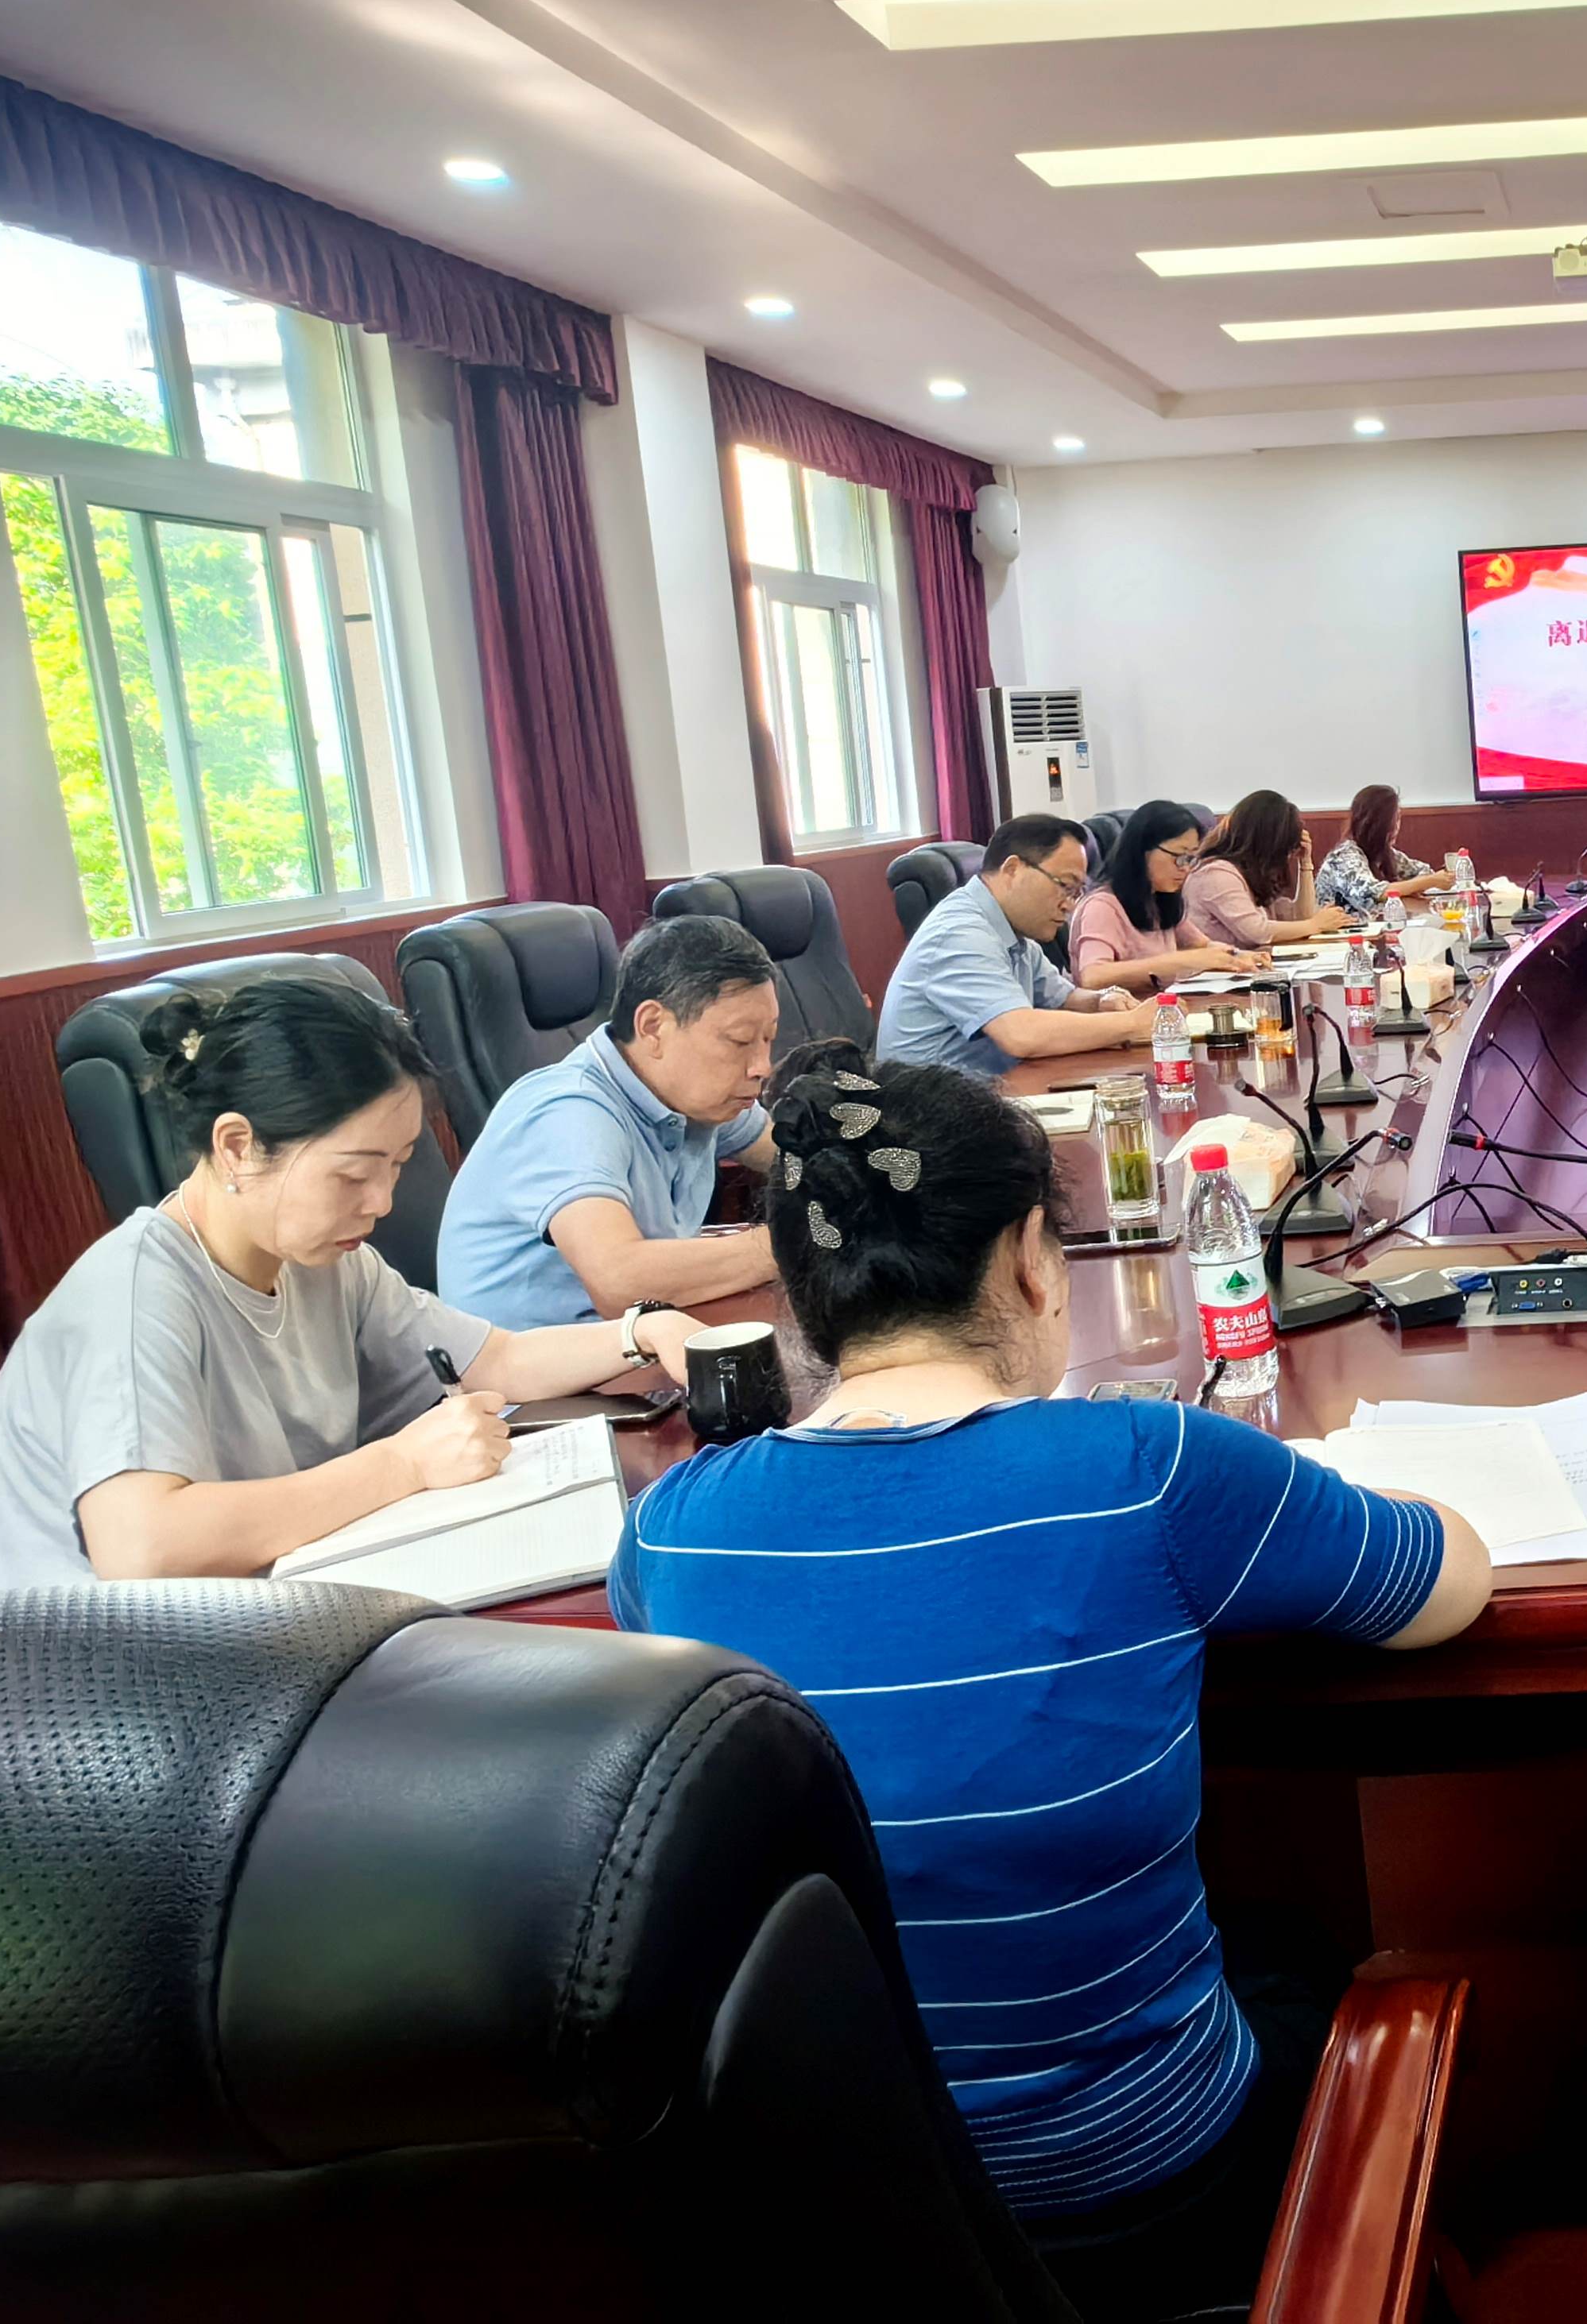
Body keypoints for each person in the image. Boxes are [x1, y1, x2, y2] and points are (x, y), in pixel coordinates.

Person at [614, 1046, 1491, 2320]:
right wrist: (1350, 1496)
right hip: (1139, 2183)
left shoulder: (673, 1528)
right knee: (1307, 1964)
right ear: (1033, 1258)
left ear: (800, 1298)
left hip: (853, 2216)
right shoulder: (1146, 1465)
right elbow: (1447, 1585)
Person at [0, 978, 706, 1583]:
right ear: (237, 1146)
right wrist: (404, 1465)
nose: (382, 1202)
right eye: (353, 1174)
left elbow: (497, 1358)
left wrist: (645, 1331)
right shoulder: (134, 1294)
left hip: (269, 1606)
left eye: (396, 1166)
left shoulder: (323, 1262)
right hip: (99, 1678)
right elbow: (142, 1548)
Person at [436, 915, 784, 1329]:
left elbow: (790, 1152)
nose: (762, 1066)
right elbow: (621, 1283)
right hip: (537, 1364)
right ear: (653, 1027)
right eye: (740, 1041)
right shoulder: (569, 1114)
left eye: (768, 1038)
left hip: (636, 1343)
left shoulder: (696, 1097)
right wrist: (797, 1241)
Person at [881, 813, 1152, 1078]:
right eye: (1065, 886)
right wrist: (1133, 1023)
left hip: (992, 1087)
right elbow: (1021, 1035)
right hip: (931, 1102)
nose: (1070, 906)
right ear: (1012, 869)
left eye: (1076, 893)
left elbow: (1062, 999)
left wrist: (1102, 1001)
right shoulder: (959, 933)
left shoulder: (1014, 933)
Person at [1067, 800, 1270, 989]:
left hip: (1163, 1008)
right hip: (1120, 1013)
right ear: (1142, 851)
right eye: (1179, 857)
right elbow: (1093, 976)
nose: (1186, 868)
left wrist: (1237, 956)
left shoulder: (1160, 898)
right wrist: (1178, 961)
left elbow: (1202, 945)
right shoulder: (1102, 906)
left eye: (1190, 859)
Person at [1186, 791, 1356, 949]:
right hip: (1215, 968)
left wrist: (1305, 863)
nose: (1284, 859)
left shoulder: (1248, 871)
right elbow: (1256, 932)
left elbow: (1302, 916)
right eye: (1284, 851)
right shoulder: (1216, 874)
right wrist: (1315, 925)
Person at [1314, 783, 1454, 919]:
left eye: (1399, 819)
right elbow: (1372, 893)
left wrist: (1418, 887)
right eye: (1393, 820)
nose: (1397, 827)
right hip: (1337, 932)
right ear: (1375, 824)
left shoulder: (1385, 854)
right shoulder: (1344, 857)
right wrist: (1430, 882)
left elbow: (1423, 871)